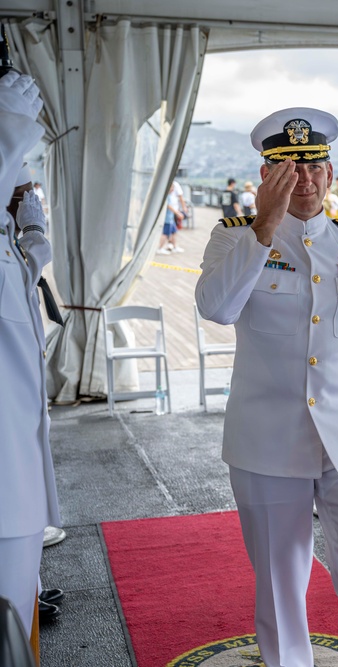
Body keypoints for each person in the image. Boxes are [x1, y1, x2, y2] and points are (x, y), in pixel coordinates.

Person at [195, 107, 338, 666]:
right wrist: (263, 228)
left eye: (314, 167)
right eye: (288, 169)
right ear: (267, 177)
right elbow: (216, 308)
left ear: (332, 173)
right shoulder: (233, 240)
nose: (305, 180)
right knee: (278, 580)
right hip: (267, 442)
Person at [0, 70, 62, 636]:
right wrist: (12, 123)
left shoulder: (11, 252)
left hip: (17, 484)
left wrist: (31, 224)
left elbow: (30, 264)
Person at [157, 179, 187, 254]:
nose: (173, 190)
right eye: (172, 188)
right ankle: (160, 248)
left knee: (174, 232)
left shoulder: (169, 196)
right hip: (168, 218)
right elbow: (169, 206)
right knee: (165, 233)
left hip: (171, 217)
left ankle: (175, 246)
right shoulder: (167, 197)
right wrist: (177, 213)